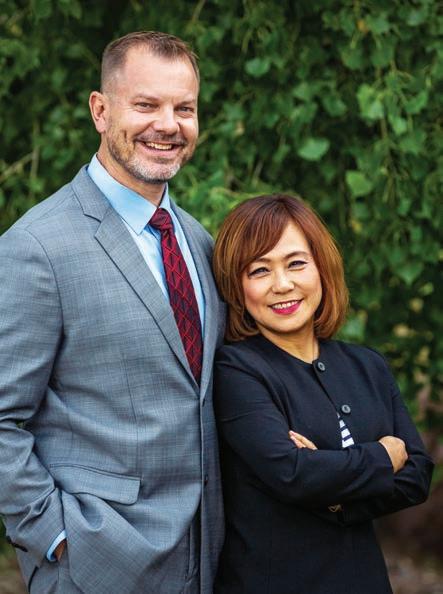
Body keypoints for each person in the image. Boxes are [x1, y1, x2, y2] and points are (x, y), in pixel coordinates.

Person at [0, 31, 225, 594]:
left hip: (209, 560)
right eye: (146, 105)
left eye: (184, 109)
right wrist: (55, 536)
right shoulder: (37, 247)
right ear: (100, 111)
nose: (168, 125)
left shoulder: (198, 241)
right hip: (93, 567)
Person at [212, 194, 433, 594]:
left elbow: (417, 475)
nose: (283, 284)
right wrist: (382, 456)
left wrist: (331, 490)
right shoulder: (237, 370)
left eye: (296, 263)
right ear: (237, 287)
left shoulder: (367, 365)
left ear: (321, 267)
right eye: (259, 270)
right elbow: (292, 474)